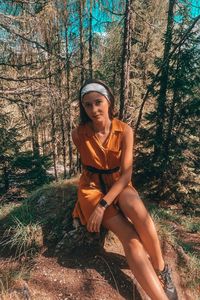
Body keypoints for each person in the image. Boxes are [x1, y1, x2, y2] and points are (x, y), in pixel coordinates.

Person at [72, 79, 178, 300]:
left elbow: (126, 174)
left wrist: (104, 206)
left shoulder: (125, 130)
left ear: (108, 101)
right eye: (88, 105)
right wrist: (94, 204)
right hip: (91, 189)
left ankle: (161, 269)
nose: (94, 109)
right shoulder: (79, 134)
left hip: (119, 181)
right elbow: (89, 169)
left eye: (98, 102)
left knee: (139, 213)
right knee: (130, 239)